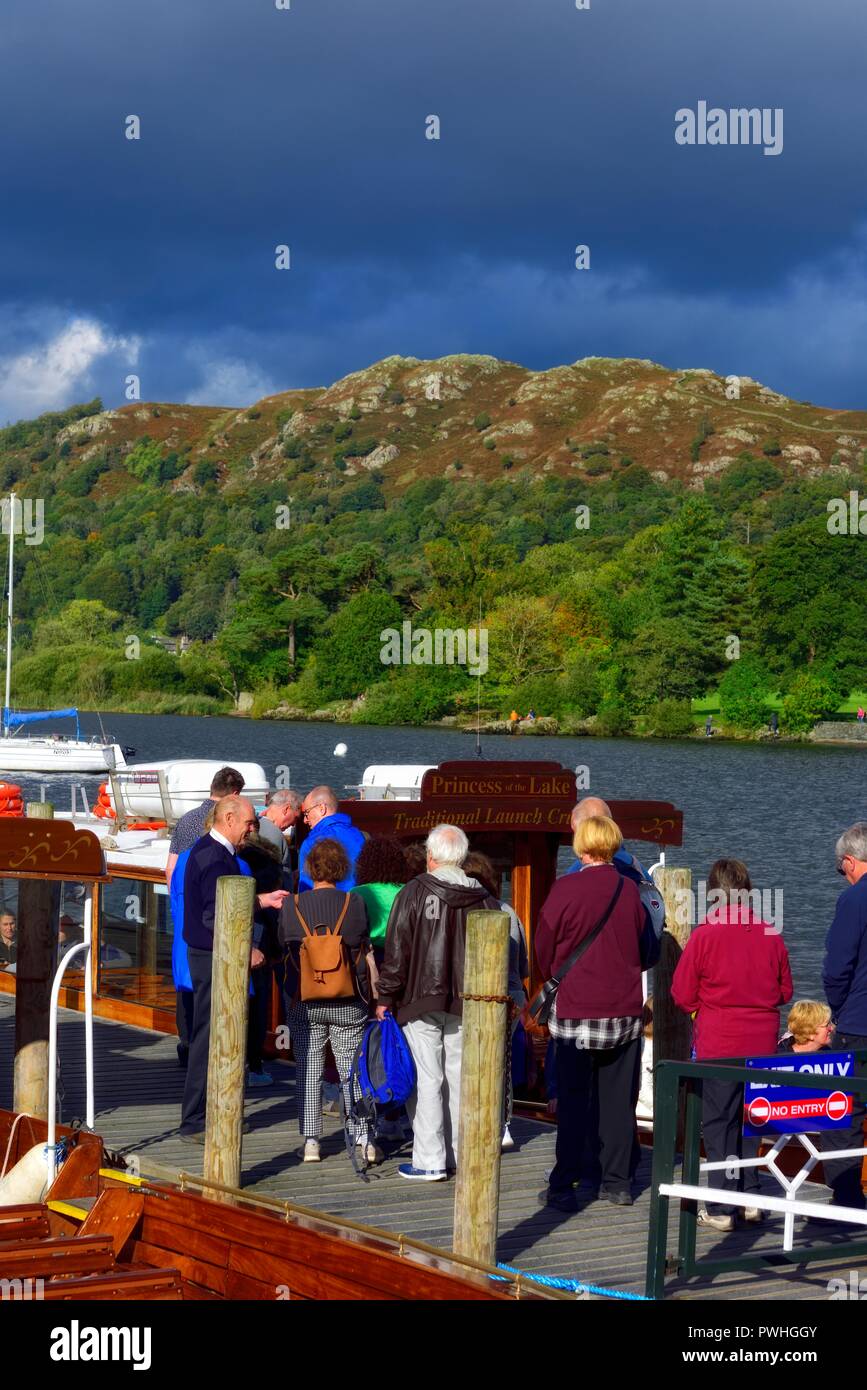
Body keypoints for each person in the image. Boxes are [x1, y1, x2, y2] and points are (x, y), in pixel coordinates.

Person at [672, 857, 793, 1231]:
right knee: (752, 1118)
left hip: (720, 1039)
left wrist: (702, 1010)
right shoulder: (770, 932)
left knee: (719, 1120)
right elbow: (785, 990)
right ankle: (751, 1197)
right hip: (761, 1040)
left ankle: (723, 1205)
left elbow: (680, 992)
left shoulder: (705, 935)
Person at [535, 815, 647, 1211]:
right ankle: (617, 1184)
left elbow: (544, 950)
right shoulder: (631, 890)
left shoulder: (565, 890)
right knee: (619, 1104)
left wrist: (557, 974)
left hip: (576, 1014)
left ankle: (565, 1183)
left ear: (582, 847)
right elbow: (647, 950)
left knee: (573, 1099)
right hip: (623, 1012)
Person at [375, 824, 498, 1181]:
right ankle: (459, 1153)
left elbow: (397, 951)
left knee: (427, 1077)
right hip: (466, 1000)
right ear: (461, 857)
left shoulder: (412, 892)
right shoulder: (484, 897)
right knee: (458, 1077)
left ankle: (429, 1159)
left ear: (431, 856)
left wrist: (385, 996)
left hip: (418, 997)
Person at [179, 797, 288, 1142]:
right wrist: (249, 949)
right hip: (211, 956)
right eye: (249, 823)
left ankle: (210, 1112)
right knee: (207, 1038)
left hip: (208, 954)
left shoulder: (214, 851)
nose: (253, 829)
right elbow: (215, 916)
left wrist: (262, 900)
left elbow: (222, 901)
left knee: (213, 1035)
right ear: (228, 818)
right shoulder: (215, 857)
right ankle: (195, 1120)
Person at [279, 838, 379, 1164]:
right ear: (342, 868)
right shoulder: (354, 904)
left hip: (304, 1000)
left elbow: (285, 945)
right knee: (352, 1069)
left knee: (309, 1070)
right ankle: (363, 1137)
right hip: (348, 998)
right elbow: (361, 943)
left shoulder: (291, 906)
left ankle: (311, 1143)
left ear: (310, 868)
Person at [463, 850, 529, 1150]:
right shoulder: (509, 911)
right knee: (502, 1062)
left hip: (478, 994)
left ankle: (476, 1121)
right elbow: (523, 964)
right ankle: (503, 1125)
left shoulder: (465, 912)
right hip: (512, 994)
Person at [821, 823, 867, 1211]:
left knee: (845, 1112)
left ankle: (847, 1201)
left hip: (858, 1025)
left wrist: (838, 1009)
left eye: (842, 868)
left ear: (851, 861)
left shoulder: (854, 900)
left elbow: (837, 969)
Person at [166, 766, 245, 887]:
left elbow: (170, 869)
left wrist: (179, 901)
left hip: (183, 896)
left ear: (212, 787)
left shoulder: (184, 819)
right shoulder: (228, 822)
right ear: (235, 795)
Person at [352, 836, 410, 970]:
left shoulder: (357, 893)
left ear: (365, 863)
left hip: (371, 957)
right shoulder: (409, 890)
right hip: (404, 957)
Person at [298, 786, 365, 892]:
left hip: (322, 905)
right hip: (354, 903)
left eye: (307, 813)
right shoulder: (359, 836)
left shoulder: (312, 843)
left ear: (321, 809)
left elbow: (306, 890)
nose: (305, 820)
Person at [255, 789, 303, 873]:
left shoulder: (255, 822)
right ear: (286, 809)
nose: (293, 824)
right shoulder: (274, 833)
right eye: (295, 818)